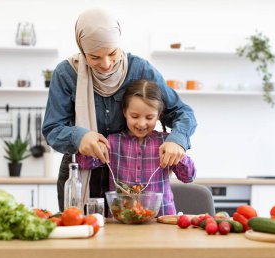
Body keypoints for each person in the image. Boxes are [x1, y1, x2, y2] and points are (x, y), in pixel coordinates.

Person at [42, 8, 197, 213]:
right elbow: (52, 129)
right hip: (81, 173)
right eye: (94, 57)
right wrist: (79, 137)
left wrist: (177, 139)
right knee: (81, 237)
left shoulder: (140, 69)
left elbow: (181, 111)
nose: (105, 64)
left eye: (112, 53)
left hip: (131, 173)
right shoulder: (66, 74)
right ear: (82, 49)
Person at [77, 80, 196, 216]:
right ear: (124, 112)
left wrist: (179, 154)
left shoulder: (167, 142)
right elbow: (85, 163)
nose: (141, 123)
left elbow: (188, 177)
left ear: (158, 115)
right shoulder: (112, 142)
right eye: (135, 116)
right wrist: (91, 146)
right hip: (122, 220)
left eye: (149, 117)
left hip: (162, 220)